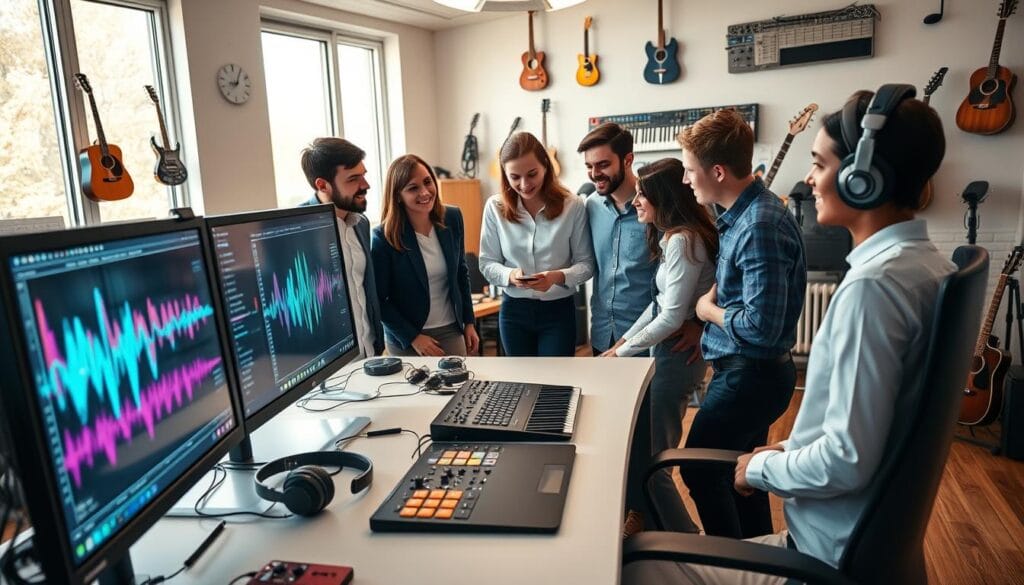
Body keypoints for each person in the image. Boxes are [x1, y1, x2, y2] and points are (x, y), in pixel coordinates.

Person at [627, 86, 953, 585]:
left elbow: (845, 459)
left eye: (819, 163)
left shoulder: (874, 288)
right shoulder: (925, 266)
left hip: (821, 555)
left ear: (862, 180)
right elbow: (861, 430)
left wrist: (759, 469)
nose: (808, 178)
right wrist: (783, 453)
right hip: (844, 540)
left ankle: (737, 560)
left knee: (635, 565)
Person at [678, 109, 806, 539]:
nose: (685, 180)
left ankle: (728, 566)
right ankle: (757, 560)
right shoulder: (744, 214)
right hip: (749, 373)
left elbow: (761, 327)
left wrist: (707, 311)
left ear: (717, 171)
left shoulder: (760, 224)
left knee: (698, 470)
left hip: (750, 374)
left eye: (690, 170)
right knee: (741, 476)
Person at [601, 158, 717, 535]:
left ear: (663, 199)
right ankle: (649, 522)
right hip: (665, 352)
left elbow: (670, 318)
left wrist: (620, 353)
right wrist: (621, 342)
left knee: (655, 459)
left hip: (677, 356)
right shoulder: (671, 236)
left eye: (642, 195)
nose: (635, 201)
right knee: (645, 451)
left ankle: (686, 537)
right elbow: (658, 304)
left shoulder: (684, 240)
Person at [479, 132, 595, 357]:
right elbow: (487, 263)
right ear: (505, 175)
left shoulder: (574, 206)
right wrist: (510, 275)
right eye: (515, 177)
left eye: (532, 174)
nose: (524, 184)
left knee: (555, 384)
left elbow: (587, 264)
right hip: (514, 312)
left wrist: (556, 277)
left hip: (558, 312)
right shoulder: (494, 207)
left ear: (545, 166)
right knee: (520, 385)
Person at [370, 154, 479, 357]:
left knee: (461, 387)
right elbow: (378, 299)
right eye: (413, 188)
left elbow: (460, 273)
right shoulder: (382, 237)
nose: (425, 192)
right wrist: (413, 337)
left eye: (428, 182)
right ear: (398, 196)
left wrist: (469, 321)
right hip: (408, 337)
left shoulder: (452, 218)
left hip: (450, 329)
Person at [300, 137, 383, 357]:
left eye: (363, 175)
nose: (365, 185)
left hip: (370, 355)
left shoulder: (361, 223)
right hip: (331, 364)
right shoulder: (296, 230)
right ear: (322, 185)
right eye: (354, 179)